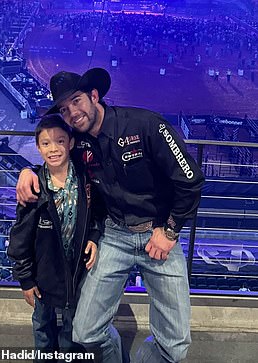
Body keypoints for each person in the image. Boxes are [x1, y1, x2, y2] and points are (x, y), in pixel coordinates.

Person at [16, 68, 205, 363]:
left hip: (159, 235)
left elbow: (191, 181)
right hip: (113, 235)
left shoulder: (147, 125)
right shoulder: (78, 143)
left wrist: (169, 231)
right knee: (85, 333)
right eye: (65, 110)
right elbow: (55, 159)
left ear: (94, 96)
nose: (72, 113)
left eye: (76, 102)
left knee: (176, 346)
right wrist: (27, 172)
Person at [8, 114, 103, 362]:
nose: (53, 149)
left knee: (72, 333)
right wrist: (26, 279)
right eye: (46, 143)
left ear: (71, 143)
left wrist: (93, 236)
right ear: (38, 148)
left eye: (60, 141)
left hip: (75, 273)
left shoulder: (85, 179)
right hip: (43, 275)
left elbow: (97, 214)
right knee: (42, 329)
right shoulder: (34, 188)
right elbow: (20, 239)